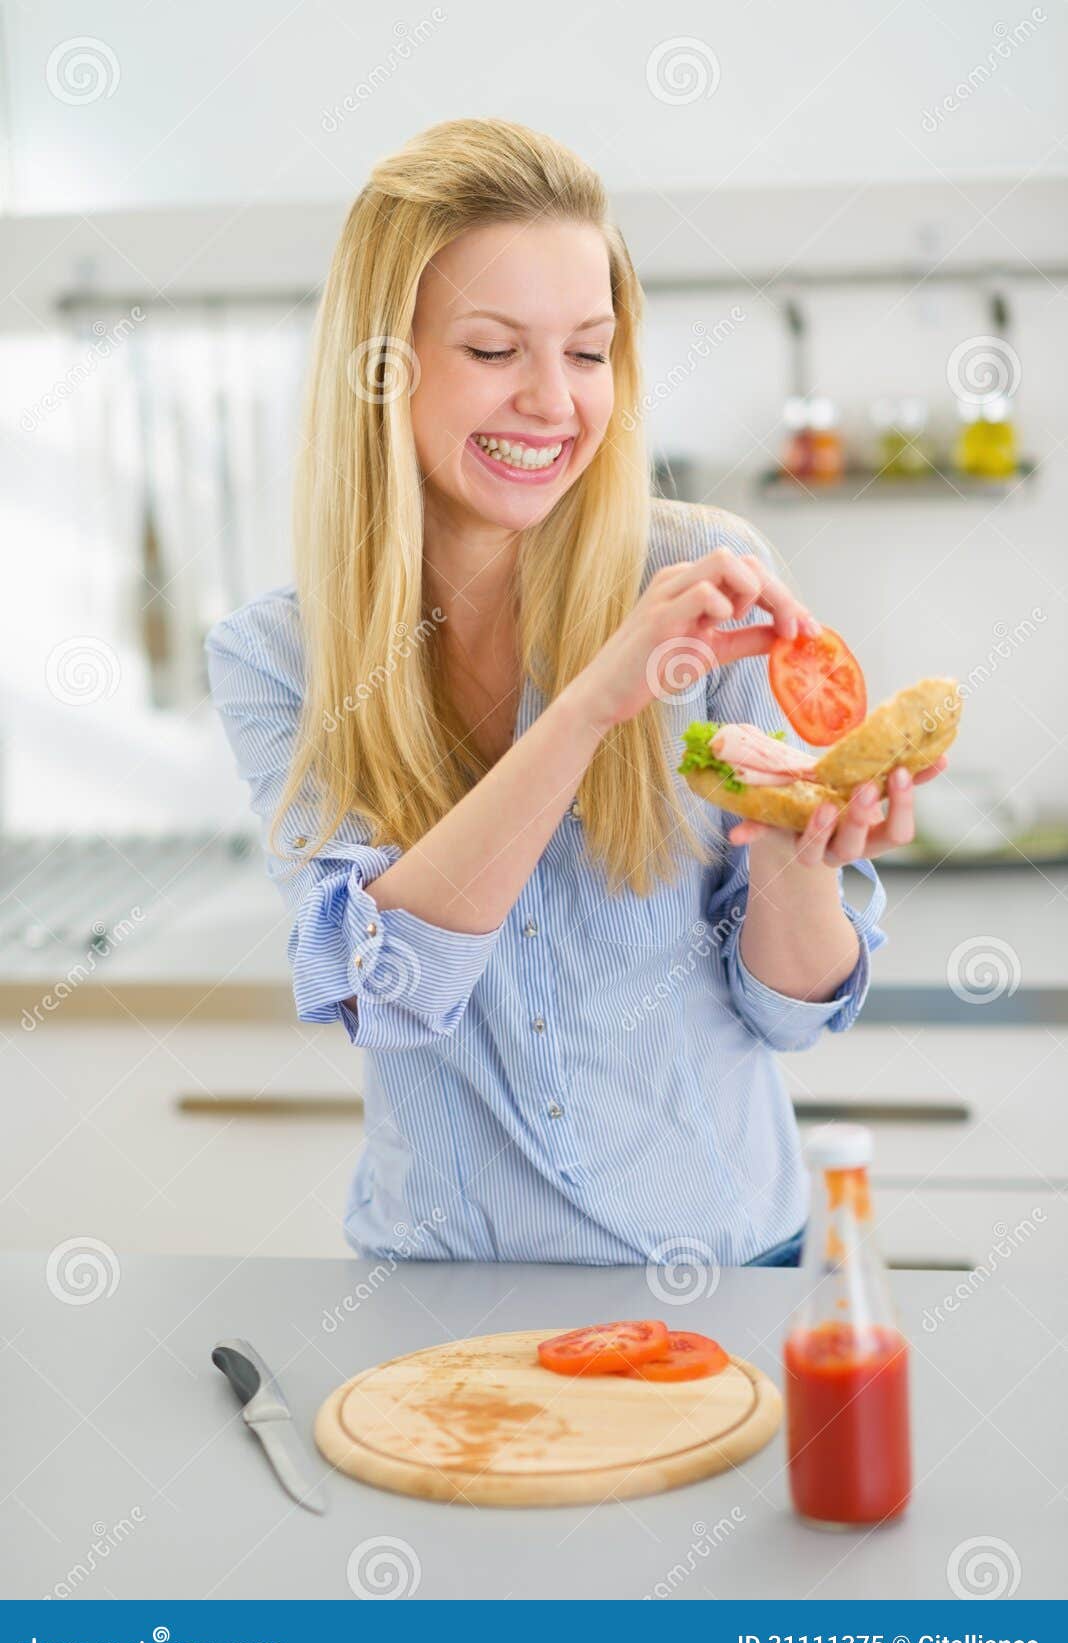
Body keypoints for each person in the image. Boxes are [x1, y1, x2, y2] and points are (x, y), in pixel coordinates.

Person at [205, 118, 947, 1270]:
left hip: (729, 1269)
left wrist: (793, 852)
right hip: (447, 1288)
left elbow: (792, 1012)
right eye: (496, 351)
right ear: (382, 366)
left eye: (589, 352)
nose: (554, 403)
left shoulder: (705, 578)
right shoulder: (279, 656)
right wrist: (591, 702)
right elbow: (385, 991)